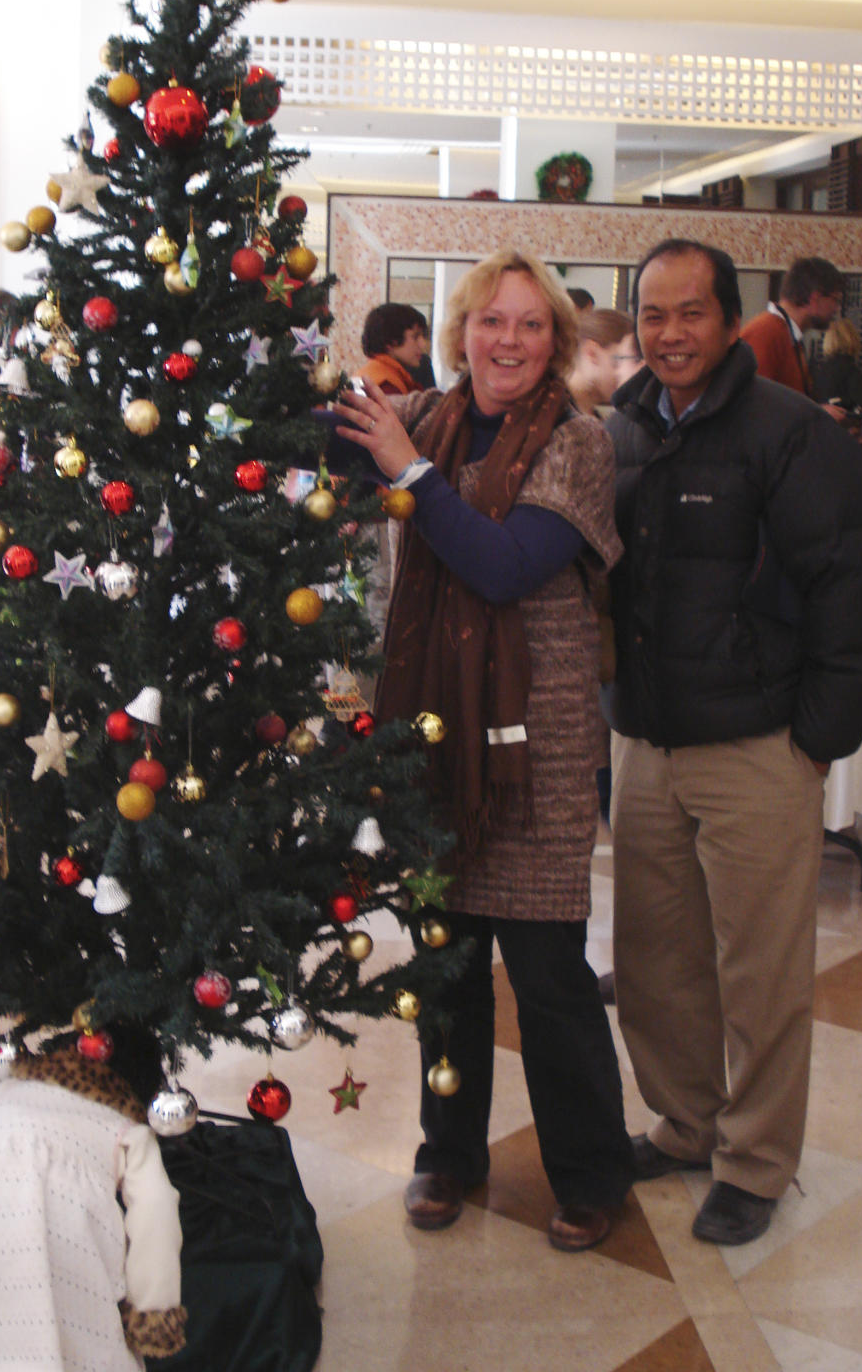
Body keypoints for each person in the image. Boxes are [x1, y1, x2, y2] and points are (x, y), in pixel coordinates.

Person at [333, 248, 635, 1252]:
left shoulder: (579, 441)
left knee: (549, 978)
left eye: (530, 324)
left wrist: (407, 471)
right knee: (447, 965)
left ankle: (590, 1171)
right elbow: (306, 444)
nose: (508, 340)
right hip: (432, 733)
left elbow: (506, 567)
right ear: (461, 330)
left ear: (556, 340)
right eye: (491, 321)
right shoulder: (424, 416)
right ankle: (448, 1150)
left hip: (536, 747)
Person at [603, 238, 862, 1247]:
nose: (670, 333)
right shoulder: (625, 427)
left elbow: (855, 591)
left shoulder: (791, 429)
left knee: (759, 970)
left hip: (757, 745)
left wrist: (817, 740)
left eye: (691, 312)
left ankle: (756, 1159)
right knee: (654, 958)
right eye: (653, 313)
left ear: (731, 320)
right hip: (645, 741)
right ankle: (687, 1121)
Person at [0, 1024, 187, 1369]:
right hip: (66, 1237)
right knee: (83, 1335)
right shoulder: (125, 1129)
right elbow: (155, 1211)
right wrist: (153, 1311)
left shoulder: (4, 1094)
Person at [740, 256, 844, 398]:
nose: (837, 309)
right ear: (815, 298)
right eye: (836, 300)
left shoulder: (788, 336)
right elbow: (751, 404)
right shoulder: (766, 333)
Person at [565, 308, 635, 414]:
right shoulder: (552, 409)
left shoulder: (590, 414)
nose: (626, 373)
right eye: (619, 360)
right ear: (592, 353)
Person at [356, 302, 426, 395]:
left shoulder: (372, 371)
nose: (423, 344)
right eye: (415, 337)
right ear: (390, 341)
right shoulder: (387, 386)